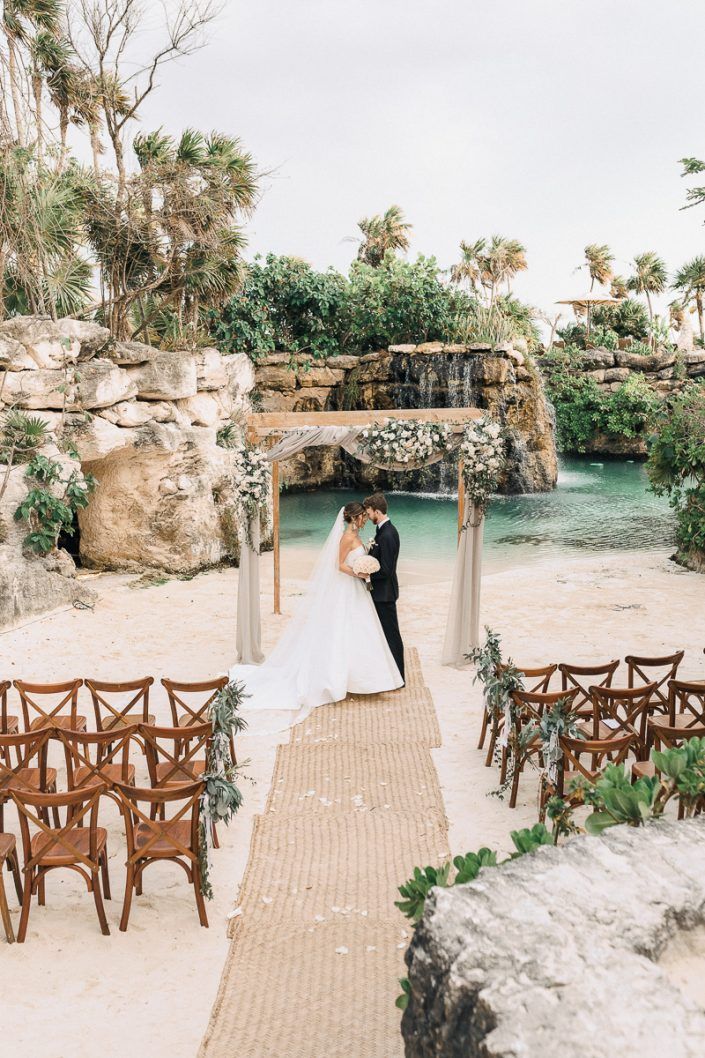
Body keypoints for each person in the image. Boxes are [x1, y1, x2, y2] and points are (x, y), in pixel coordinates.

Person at [229, 502, 403, 727]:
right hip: (347, 588)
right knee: (344, 630)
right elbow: (339, 565)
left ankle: (365, 680)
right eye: (361, 517)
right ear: (353, 518)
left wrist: (364, 572)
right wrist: (358, 573)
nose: (364, 520)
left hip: (357, 591)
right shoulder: (346, 538)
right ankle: (341, 680)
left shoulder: (356, 536)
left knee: (361, 632)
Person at [364, 491, 405, 683]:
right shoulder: (383, 531)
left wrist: (366, 575)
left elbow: (386, 570)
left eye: (369, 512)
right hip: (381, 593)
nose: (367, 515)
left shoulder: (388, 534)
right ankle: (390, 673)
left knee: (391, 635)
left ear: (377, 511)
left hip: (385, 594)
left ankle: (399, 676)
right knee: (384, 635)